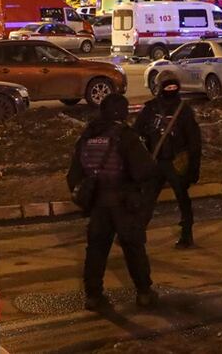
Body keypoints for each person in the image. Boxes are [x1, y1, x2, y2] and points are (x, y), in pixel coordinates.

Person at [67, 94, 159, 310]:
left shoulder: (87, 136)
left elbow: (74, 175)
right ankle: (144, 293)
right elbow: (143, 170)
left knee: (96, 250)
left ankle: (93, 296)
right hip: (124, 204)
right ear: (123, 112)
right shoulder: (125, 136)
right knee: (134, 249)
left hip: (98, 205)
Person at [136, 72, 202, 248]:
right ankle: (136, 234)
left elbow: (194, 141)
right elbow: (137, 133)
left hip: (176, 163)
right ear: (159, 88)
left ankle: (187, 234)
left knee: (182, 198)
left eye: (174, 87)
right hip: (155, 162)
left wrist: (194, 168)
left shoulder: (183, 110)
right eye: (168, 87)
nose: (171, 91)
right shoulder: (150, 109)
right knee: (147, 199)